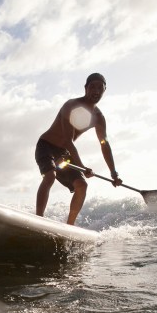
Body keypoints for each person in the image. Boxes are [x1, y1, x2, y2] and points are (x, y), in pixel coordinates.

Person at [35, 72, 122, 225]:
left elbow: (104, 144)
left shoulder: (99, 118)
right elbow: (68, 141)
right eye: (92, 87)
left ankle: (69, 227)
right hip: (46, 146)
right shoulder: (71, 106)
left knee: (82, 185)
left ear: (104, 90)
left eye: (100, 88)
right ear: (85, 88)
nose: (96, 91)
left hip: (63, 153)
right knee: (50, 176)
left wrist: (114, 173)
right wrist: (82, 167)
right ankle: (38, 219)